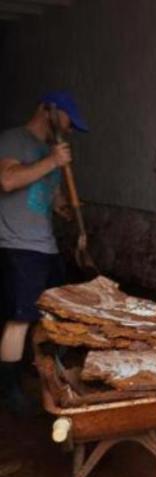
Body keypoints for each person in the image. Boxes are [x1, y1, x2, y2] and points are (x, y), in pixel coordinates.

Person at [0, 91, 88, 415]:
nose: (68, 128)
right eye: (67, 120)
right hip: (17, 245)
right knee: (20, 318)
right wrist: (52, 161)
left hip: (45, 245)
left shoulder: (48, 149)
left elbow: (48, 195)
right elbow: (7, 180)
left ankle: (41, 369)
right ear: (48, 110)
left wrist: (64, 207)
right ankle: (8, 388)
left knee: (54, 313)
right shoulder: (14, 140)